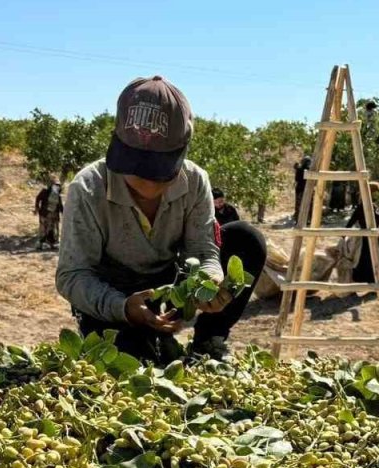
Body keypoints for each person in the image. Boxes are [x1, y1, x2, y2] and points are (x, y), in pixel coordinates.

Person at [56, 76, 267, 364]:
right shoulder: (88, 188)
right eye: (133, 163)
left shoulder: (195, 182)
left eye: (156, 168)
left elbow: (203, 251)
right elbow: (73, 275)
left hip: (169, 289)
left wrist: (211, 280)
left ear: (181, 153)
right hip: (112, 294)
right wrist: (122, 307)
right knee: (137, 366)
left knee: (246, 239)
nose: (144, 179)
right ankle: (136, 336)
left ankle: (209, 341)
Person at [343, 181, 379, 286]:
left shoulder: (376, 206)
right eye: (378, 191)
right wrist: (343, 238)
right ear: (372, 192)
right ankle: (373, 282)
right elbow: (350, 222)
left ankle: (377, 281)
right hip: (364, 239)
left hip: (374, 237)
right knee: (369, 261)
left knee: (375, 260)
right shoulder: (362, 206)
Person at [34, 179, 63, 250]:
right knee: (45, 229)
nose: (57, 187)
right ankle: (42, 244)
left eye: (58, 186)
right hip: (46, 214)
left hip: (51, 215)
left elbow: (60, 206)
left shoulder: (56, 195)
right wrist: (37, 208)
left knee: (50, 229)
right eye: (56, 185)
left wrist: (63, 214)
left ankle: (50, 244)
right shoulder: (46, 192)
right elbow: (38, 198)